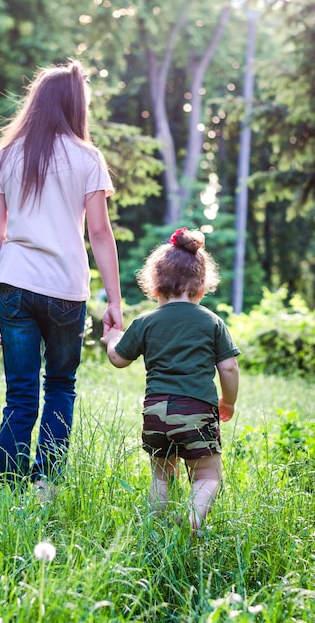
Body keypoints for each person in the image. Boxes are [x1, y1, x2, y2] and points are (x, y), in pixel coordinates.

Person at [0, 59, 123, 489]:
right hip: (65, 290)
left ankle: (10, 490)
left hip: (14, 286)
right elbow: (100, 233)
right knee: (59, 386)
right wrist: (114, 300)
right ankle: (45, 487)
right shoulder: (88, 157)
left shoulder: (7, 156)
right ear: (75, 106)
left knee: (19, 394)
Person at [101, 227, 239, 534]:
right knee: (206, 476)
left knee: (161, 476)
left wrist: (112, 337)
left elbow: (118, 359)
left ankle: (157, 529)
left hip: (155, 413)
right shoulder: (211, 321)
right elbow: (228, 368)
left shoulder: (145, 322)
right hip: (197, 410)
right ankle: (193, 518)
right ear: (202, 287)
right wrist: (227, 401)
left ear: (155, 287)